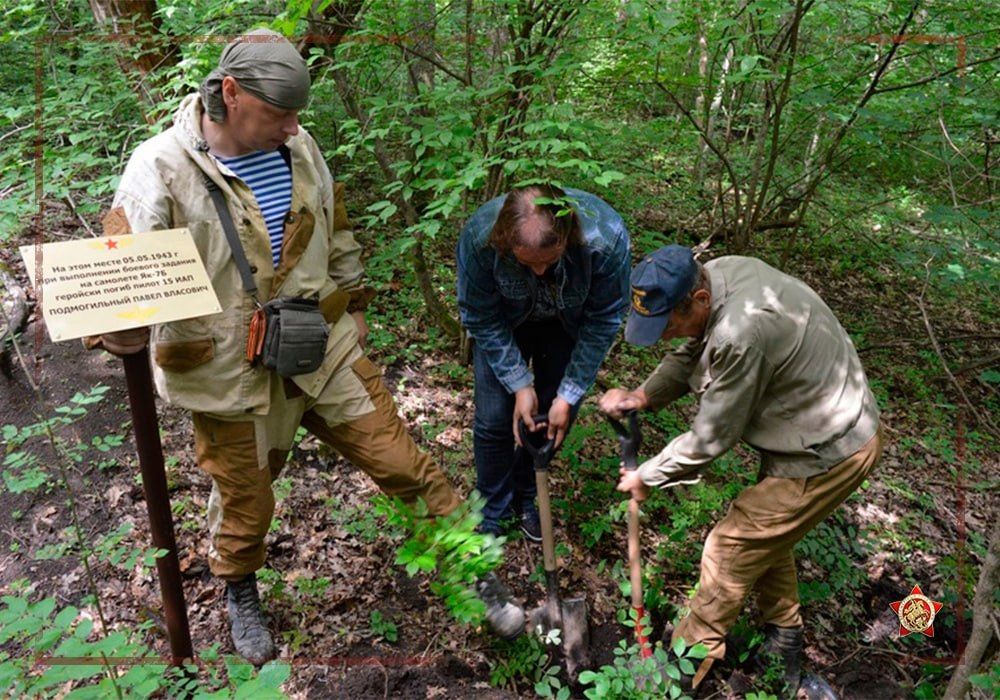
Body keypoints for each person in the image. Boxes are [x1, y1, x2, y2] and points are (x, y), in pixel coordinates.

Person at [85, 28, 524, 665]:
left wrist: (354, 300)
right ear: (230, 94)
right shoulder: (159, 168)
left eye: (297, 115)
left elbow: (334, 225)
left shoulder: (300, 146)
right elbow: (122, 277)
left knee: (402, 462)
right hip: (227, 372)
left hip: (322, 347)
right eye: (279, 114)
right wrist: (121, 328)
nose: (293, 128)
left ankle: (474, 572)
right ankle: (238, 585)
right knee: (246, 500)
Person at [599, 245, 882, 697]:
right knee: (767, 537)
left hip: (830, 449)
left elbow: (712, 438)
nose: (666, 337)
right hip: (810, 426)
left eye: (667, 324)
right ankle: (783, 646)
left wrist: (647, 475)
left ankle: (675, 673)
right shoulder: (718, 275)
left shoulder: (740, 330)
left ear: (699, 301)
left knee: (730, 547)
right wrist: (643, 395)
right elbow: (694, 349)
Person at [457, 185, 631, 539]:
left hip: (568, 325)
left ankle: (525, 494)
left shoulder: (607, 240)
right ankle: (493, 510)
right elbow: (479, 314)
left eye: (549, 260)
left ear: (567, 237)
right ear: (505, 242)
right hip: (506, 323)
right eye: (526, 262)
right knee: (492, 421)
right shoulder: (480, 239)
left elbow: (604, 321)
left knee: (552, 419)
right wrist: (519, 383)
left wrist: (567, 395)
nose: (538, 271)